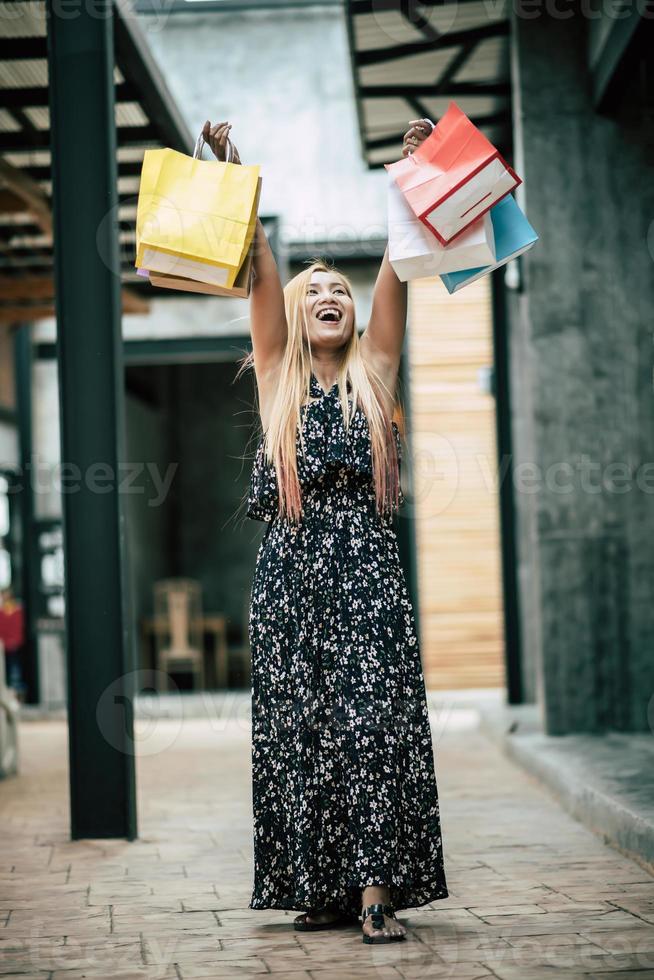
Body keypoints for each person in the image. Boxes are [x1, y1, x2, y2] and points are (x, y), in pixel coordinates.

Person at [202, 117, 448, 945]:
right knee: (303, 730)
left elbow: (397, 271)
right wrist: (238, 183)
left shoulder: (375, 377)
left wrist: (414, 178)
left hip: (369, 578)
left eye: (337, 290)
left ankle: (377, 889)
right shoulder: (276, 380)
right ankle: (326, 886)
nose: (329, 297)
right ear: (300, 322)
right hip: (292, 580)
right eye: (316, 294)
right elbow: (261, 273)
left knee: (371, 721)